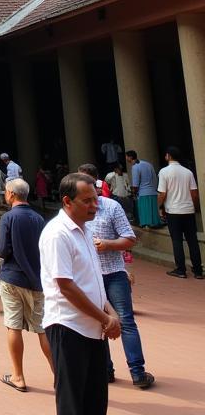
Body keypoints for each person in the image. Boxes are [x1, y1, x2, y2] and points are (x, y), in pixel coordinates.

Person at [39, 172, 121, 415]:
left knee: (95, 400)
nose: (94, 206)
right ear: (67, 201)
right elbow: (66, 286)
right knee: (73, 402)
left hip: (94, 329)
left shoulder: (84, 229)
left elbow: (92, 278)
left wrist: (110, 312)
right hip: (69, 327)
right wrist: (105, 318)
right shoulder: (58, 233)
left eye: (95, 199)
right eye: (87, 201)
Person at [80, 164, 154, 389]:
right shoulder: (74, 211)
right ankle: (106, 370)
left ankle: (137, 372)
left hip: (114, 273)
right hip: (90, 276)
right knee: (97, 323)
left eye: (90, 186)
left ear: (97, 183)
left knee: (126, 321)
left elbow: (130, 238)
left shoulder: (111, 207)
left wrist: (108, 244)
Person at [0, 178, 54, 392]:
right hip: (37, 281)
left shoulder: (8, 218)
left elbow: (2, 250)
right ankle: (59, 376)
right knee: (42, 329)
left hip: (12, 278)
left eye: (5, 192)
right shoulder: (39, 219)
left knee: (13, 325)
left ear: (11, 194)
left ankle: (18, 377)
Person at [156, 145, 202, 279]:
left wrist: (159, 206)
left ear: (168, 156)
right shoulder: (188, 172)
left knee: (177, 241)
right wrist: (195, 207)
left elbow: (162, 193)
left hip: (173, 211)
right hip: (188, 210)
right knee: (192, 240)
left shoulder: (164, 172)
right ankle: (198, 271)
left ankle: (181, 269)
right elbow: (194, 193)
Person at [126, 149, 161, 228]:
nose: (126, 158)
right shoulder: (148, 164)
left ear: (130, 157)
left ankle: (147, 226)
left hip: (143, 193)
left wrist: (133, 193)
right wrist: (154, 189)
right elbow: (155, 178)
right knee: (153, 215)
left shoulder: (135, 167)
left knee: (145, 217)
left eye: (127, 157)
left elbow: (135, 184)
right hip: (153, 192)